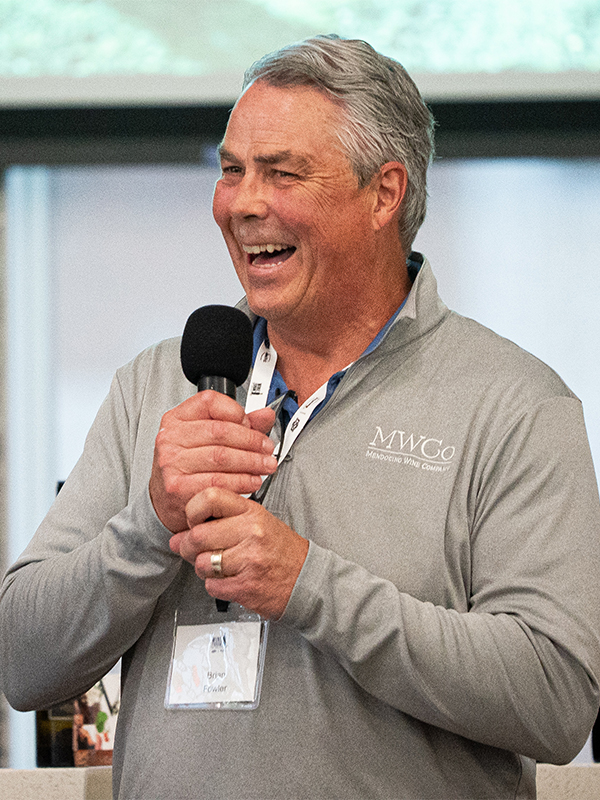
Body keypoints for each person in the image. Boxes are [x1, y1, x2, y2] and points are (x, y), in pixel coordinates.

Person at [1, 34, 600, 800]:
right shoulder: (154, 384)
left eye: (282, 173)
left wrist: (311, 586)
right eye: (231, 170)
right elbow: (22, 662)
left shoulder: (514, 404)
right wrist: (150, 523)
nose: (244, 203)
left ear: (384, 194)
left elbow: (555, 699)